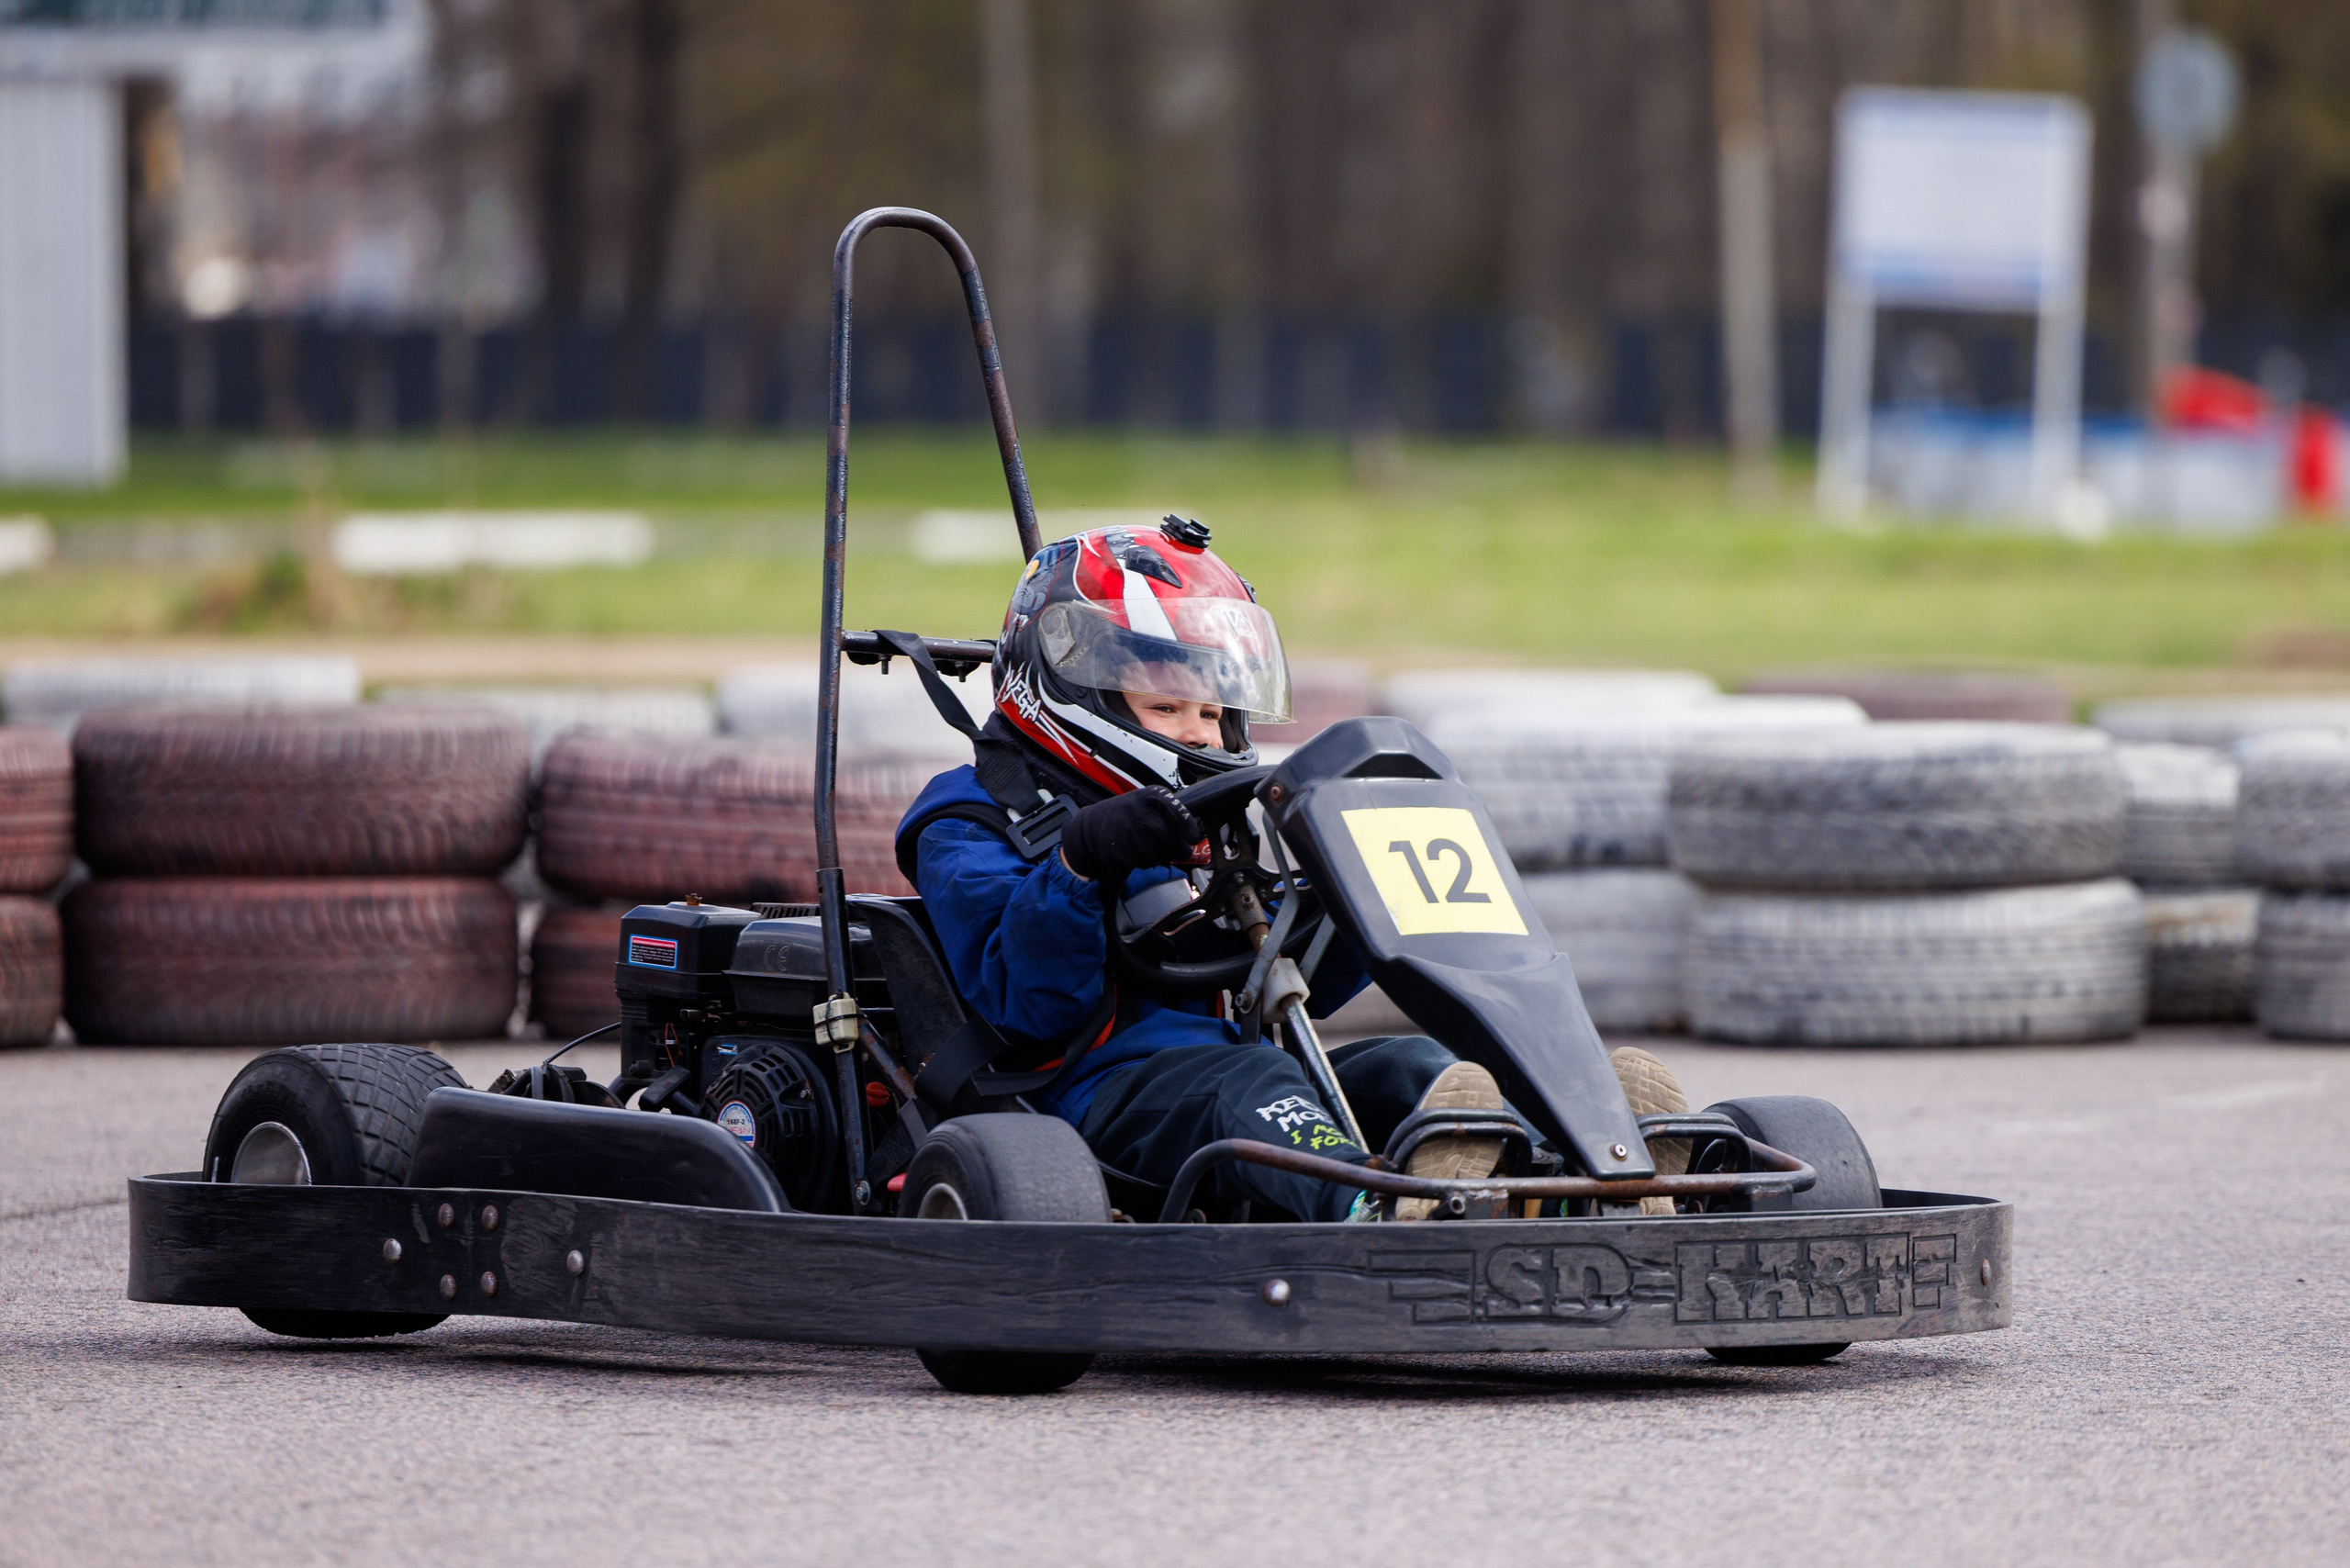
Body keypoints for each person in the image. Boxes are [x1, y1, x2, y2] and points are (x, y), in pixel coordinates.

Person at [892, 517, 1509, 1222]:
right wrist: (1078, 862)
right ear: (1072, 690)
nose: (1198, 734)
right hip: (1079, 1102)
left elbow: (1286, 978)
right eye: (1167, 707)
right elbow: (1028, 1008)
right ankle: (1372, 1206)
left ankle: (1552, 1184)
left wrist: (1353, 894)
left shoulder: (1195, 820)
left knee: (1412, 1069)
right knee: (1249, 1082)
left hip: (1228, 1076)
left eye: (1213, 712)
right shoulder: (964, 821)